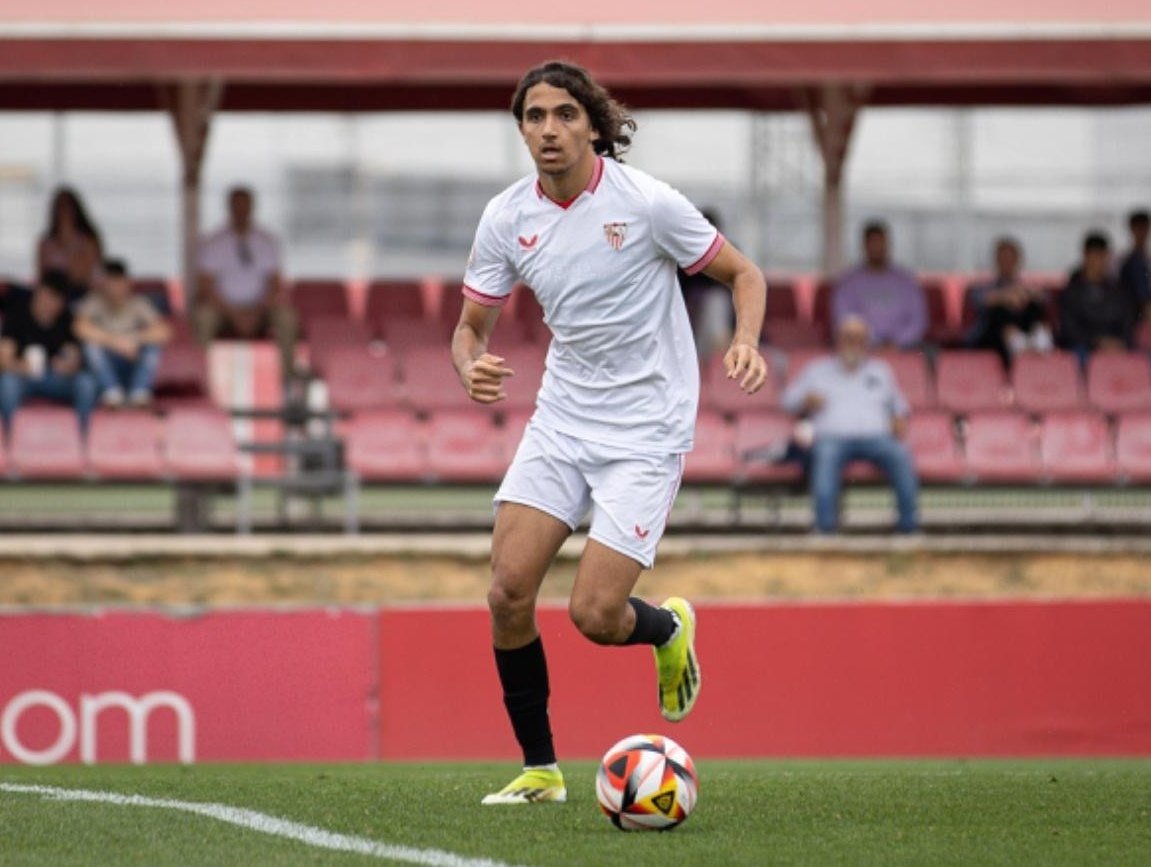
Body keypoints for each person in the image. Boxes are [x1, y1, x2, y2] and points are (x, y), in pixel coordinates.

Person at [451, 61, 768, 806]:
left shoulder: (647, 203)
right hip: (562, 418)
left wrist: (745, 340)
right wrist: (468, 365)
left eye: (564, 114)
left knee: (593, 615)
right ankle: (540, 770)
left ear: (592, 124)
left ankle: (664, 629)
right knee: (505, 591)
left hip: (645, 429)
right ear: (521, 129)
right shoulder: (506, 217)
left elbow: (743, 274)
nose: (549, 129)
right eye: (534, 117)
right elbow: (468, 329)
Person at [781, 315, 918, 534]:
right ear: (838, 340)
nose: (853, 342)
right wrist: (806, 400)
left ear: (867, 341)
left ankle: (909, 528)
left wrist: (899, 419)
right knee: (824, 457)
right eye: (848, 337)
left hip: (877, 437)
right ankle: (825, 530)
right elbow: (788, 400)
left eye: (859, 338)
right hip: (832, 438)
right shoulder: (817, 370)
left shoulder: (880, 370)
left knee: (901, 453)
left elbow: (899, 406)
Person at [195, 186, 297, 377]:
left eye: (245, 206)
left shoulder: (267, 241)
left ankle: (288, 383)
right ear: (229, 208)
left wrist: (257, 313)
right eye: (237, 206)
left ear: (252, 207)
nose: (241, 211)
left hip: (260, 310)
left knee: (286, 318)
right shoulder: (214, 242)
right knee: (203, 318)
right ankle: (201, 382)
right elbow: (206, 286)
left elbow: (275, 284)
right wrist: (234, 315)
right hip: (224, 311)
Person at [0, 270, 98, 432]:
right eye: (46, 297)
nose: (49, 305)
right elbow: (4, 357)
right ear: (37, 293)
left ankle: (83, 436)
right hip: (24, 378)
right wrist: (20, 366)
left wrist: (69, 365)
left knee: (86, 383)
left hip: (55, 377)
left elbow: (73, 353)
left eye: (56, 300)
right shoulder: (17, 315)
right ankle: (8, 438)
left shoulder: (66, 319)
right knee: (7, 382)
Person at [74, 259, 171, 408]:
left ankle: (140, 394)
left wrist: (134, 340)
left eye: (117, 282)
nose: (113, 288)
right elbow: (80, 327)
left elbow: (163, 331)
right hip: (107, 369)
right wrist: (114, 342)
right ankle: (112, 394)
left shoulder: (139, 303)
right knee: (91, 345)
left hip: (132, 363)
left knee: (153, 346)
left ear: (127, 283)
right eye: (109, 283)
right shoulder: (94, 302)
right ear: (103, 284)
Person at [833, 222, 926, 349]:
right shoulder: (848, 282)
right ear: (864, 245)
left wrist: (896, 342)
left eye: (880, 242)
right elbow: (843, 319)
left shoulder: (906, 281)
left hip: (904, 350)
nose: (877, 248)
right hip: (861, 351)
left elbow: (918, 321)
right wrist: (873, 342)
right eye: (873, 243)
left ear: (888, 244)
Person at [967, 237, 1053, 366]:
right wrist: (1005, 296)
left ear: (1017, 260)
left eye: (1010, 258)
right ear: (997, 260)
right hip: (990, 337)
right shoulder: (985, 286)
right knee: (1001, 310)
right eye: (1003, 258)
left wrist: (1024, 295)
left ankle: (1035, 339)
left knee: (1032, 306)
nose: (1006, 262)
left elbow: (1044, 298)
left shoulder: (1026, 287)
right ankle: (1015, 339)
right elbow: (978, 299)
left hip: (1022, 330)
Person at [1060, 231, 1141, 360]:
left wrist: (1120, 343)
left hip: (1118, 345)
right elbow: (1068, 330)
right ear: (1085, 256)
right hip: (1084, 348)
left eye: (1102, 256)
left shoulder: (1120, 291)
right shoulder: (1071, 292)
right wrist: (1098, 342)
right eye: (1094, 256)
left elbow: (1128, 323)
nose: (1098, 261)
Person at [679, 208, 735, 360]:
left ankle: (720, 347)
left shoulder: (731, 254)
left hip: (725, 313)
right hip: (690, 316)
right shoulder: (683, 258)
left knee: (715, 302)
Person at [36, 187, 104, 298]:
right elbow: (43, 275)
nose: (64, 212)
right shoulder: (46, 242)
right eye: (61, 207)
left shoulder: (87, 240)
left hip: (83, 291)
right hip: (55, 295)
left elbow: (85, 275)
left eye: (67, 207)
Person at [1118, 210, 1150, 318]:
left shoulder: (1144, 258)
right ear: (1132, 229)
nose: (1142, 232)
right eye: (1139, 228)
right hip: (1135, 313)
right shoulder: (1130, 261)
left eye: (1144, 228)